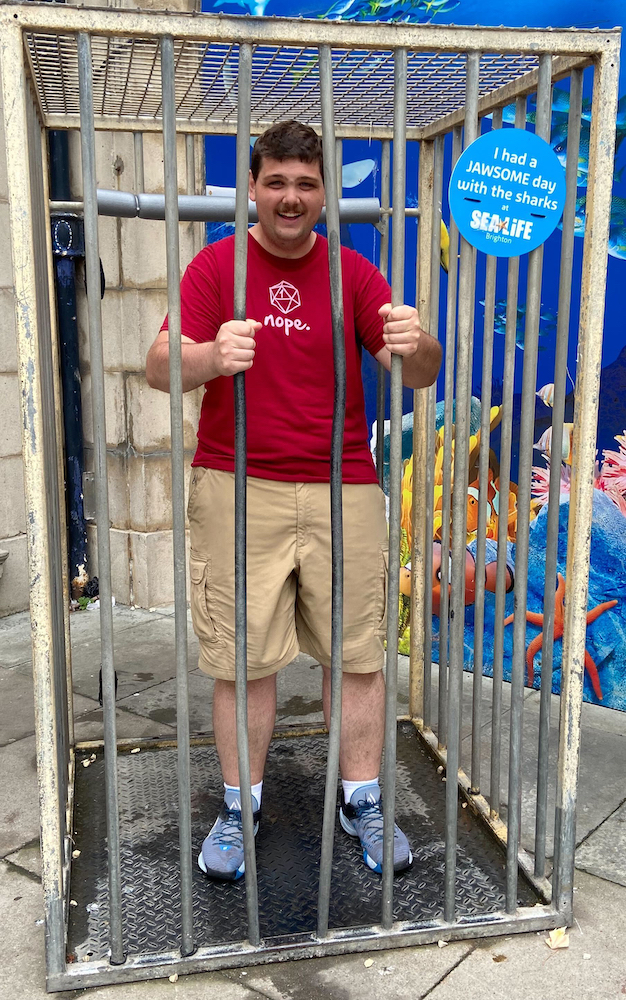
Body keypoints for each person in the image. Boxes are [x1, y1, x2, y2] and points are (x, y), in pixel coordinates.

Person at [146, 120, 442, 881]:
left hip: (345, 487)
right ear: (253, 187)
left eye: (306, 184)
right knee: (243, 661)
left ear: (324, 193)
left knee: (360, 655)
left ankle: (363, 802)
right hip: (236, 486)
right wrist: (211, 356)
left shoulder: (353, 273)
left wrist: (420, 344)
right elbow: (156, 366)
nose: (290, 197)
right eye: (276, 181)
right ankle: (238, 807)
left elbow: (415, 375)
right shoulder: (216, 267)